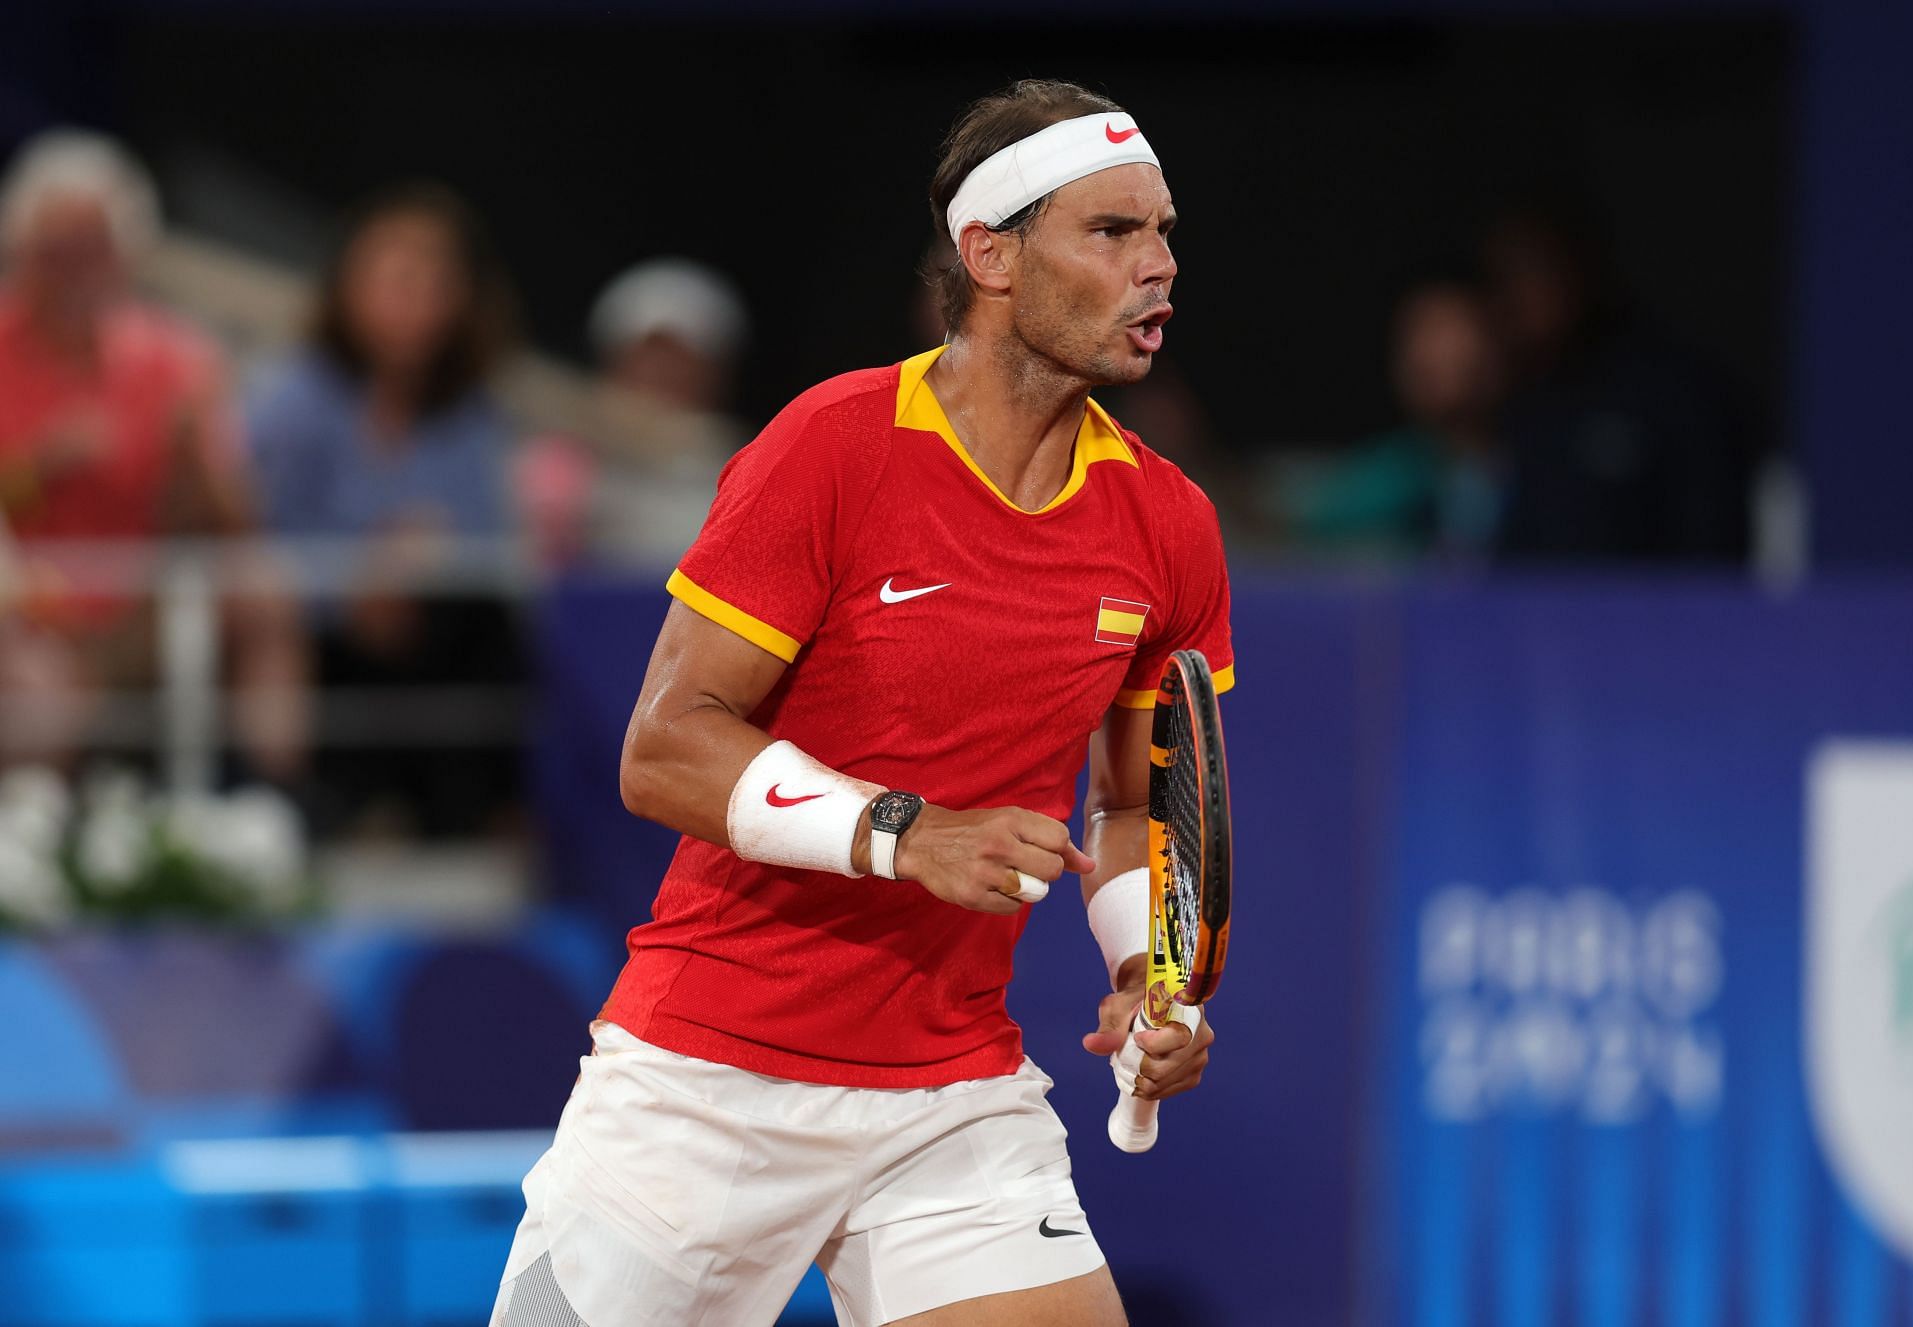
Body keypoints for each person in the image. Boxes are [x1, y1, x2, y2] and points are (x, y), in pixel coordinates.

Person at [493, 80, 1231, 1327]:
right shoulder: (830, 446)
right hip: (702, 1082)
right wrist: (907, 831)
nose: (1159, 266)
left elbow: (1129, 809)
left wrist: (1146, 974)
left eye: (1163, 231)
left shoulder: (1169, 523)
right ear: (987, 254)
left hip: (950, 1100)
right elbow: (664, 750)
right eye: (1112, 233)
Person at [0, 129, 306, 777]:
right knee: (35, 680)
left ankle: (283, 801)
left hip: (147, 601)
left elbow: (232, 520)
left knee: (263, 592)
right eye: (57, 251)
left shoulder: (179, 358)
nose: (76, 271)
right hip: (21, 609)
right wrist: (37, 468)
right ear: (21, 251)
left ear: (129, 256)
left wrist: (194, 461)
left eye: (95, 251)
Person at [247, 183, 522, 837]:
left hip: (432, 629)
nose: (416, 298)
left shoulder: (473, 414)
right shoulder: (293, 400)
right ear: (348, 284)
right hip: (325, 635)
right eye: (398, 276)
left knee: (483, 630)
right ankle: (341, 815)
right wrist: (352, 585)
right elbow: (260, 539)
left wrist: (421, 564)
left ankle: (473, 826)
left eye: (435, 279)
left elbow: (490, 544)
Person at [1484, 201, 1757, 564]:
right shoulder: (1519, 405)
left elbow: (1712, 549)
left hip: (1653, 616)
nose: (1521, 293)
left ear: (1580, 267)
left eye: (1538, 269)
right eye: (1505, 277)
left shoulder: (1670, 391)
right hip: (1538, 616)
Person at [517, 257, 750, 569]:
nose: (663, 372)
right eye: (646, 356)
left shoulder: (753, 469)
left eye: (683, 358)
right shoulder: (553, 464)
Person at [1286, 272, 1506, 561]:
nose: (1426, 354)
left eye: (1446, 329)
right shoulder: (1382, 479)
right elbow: (1286, 537)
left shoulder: (1549, 479)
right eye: (1414, 335)